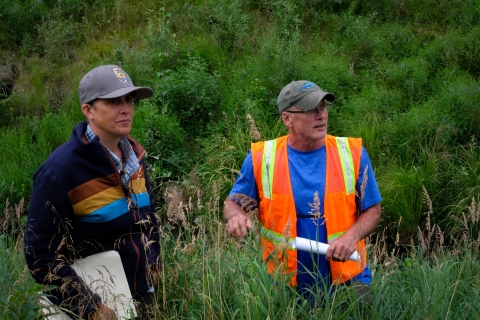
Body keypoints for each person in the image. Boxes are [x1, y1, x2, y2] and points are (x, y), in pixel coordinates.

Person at [223, 80, 382, 304]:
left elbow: (373, 209)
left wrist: (351, 236)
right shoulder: (263, 157)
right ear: (287, 118)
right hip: (283, 279)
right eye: (310, 110)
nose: (321, 115)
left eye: (323, 107)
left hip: (346, 275)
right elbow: (232, 203)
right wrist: (236, 216)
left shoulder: (352, 153)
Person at [24, 65, 161, 319]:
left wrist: (155, 266)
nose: (126, 108)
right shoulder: (60, 173)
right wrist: (89, 307)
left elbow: (149, 219)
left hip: (144, 299)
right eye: (113, 101)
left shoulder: (136, 159)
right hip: (95, 308)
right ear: (88, 110)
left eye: (129, 100)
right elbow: (40, 255)